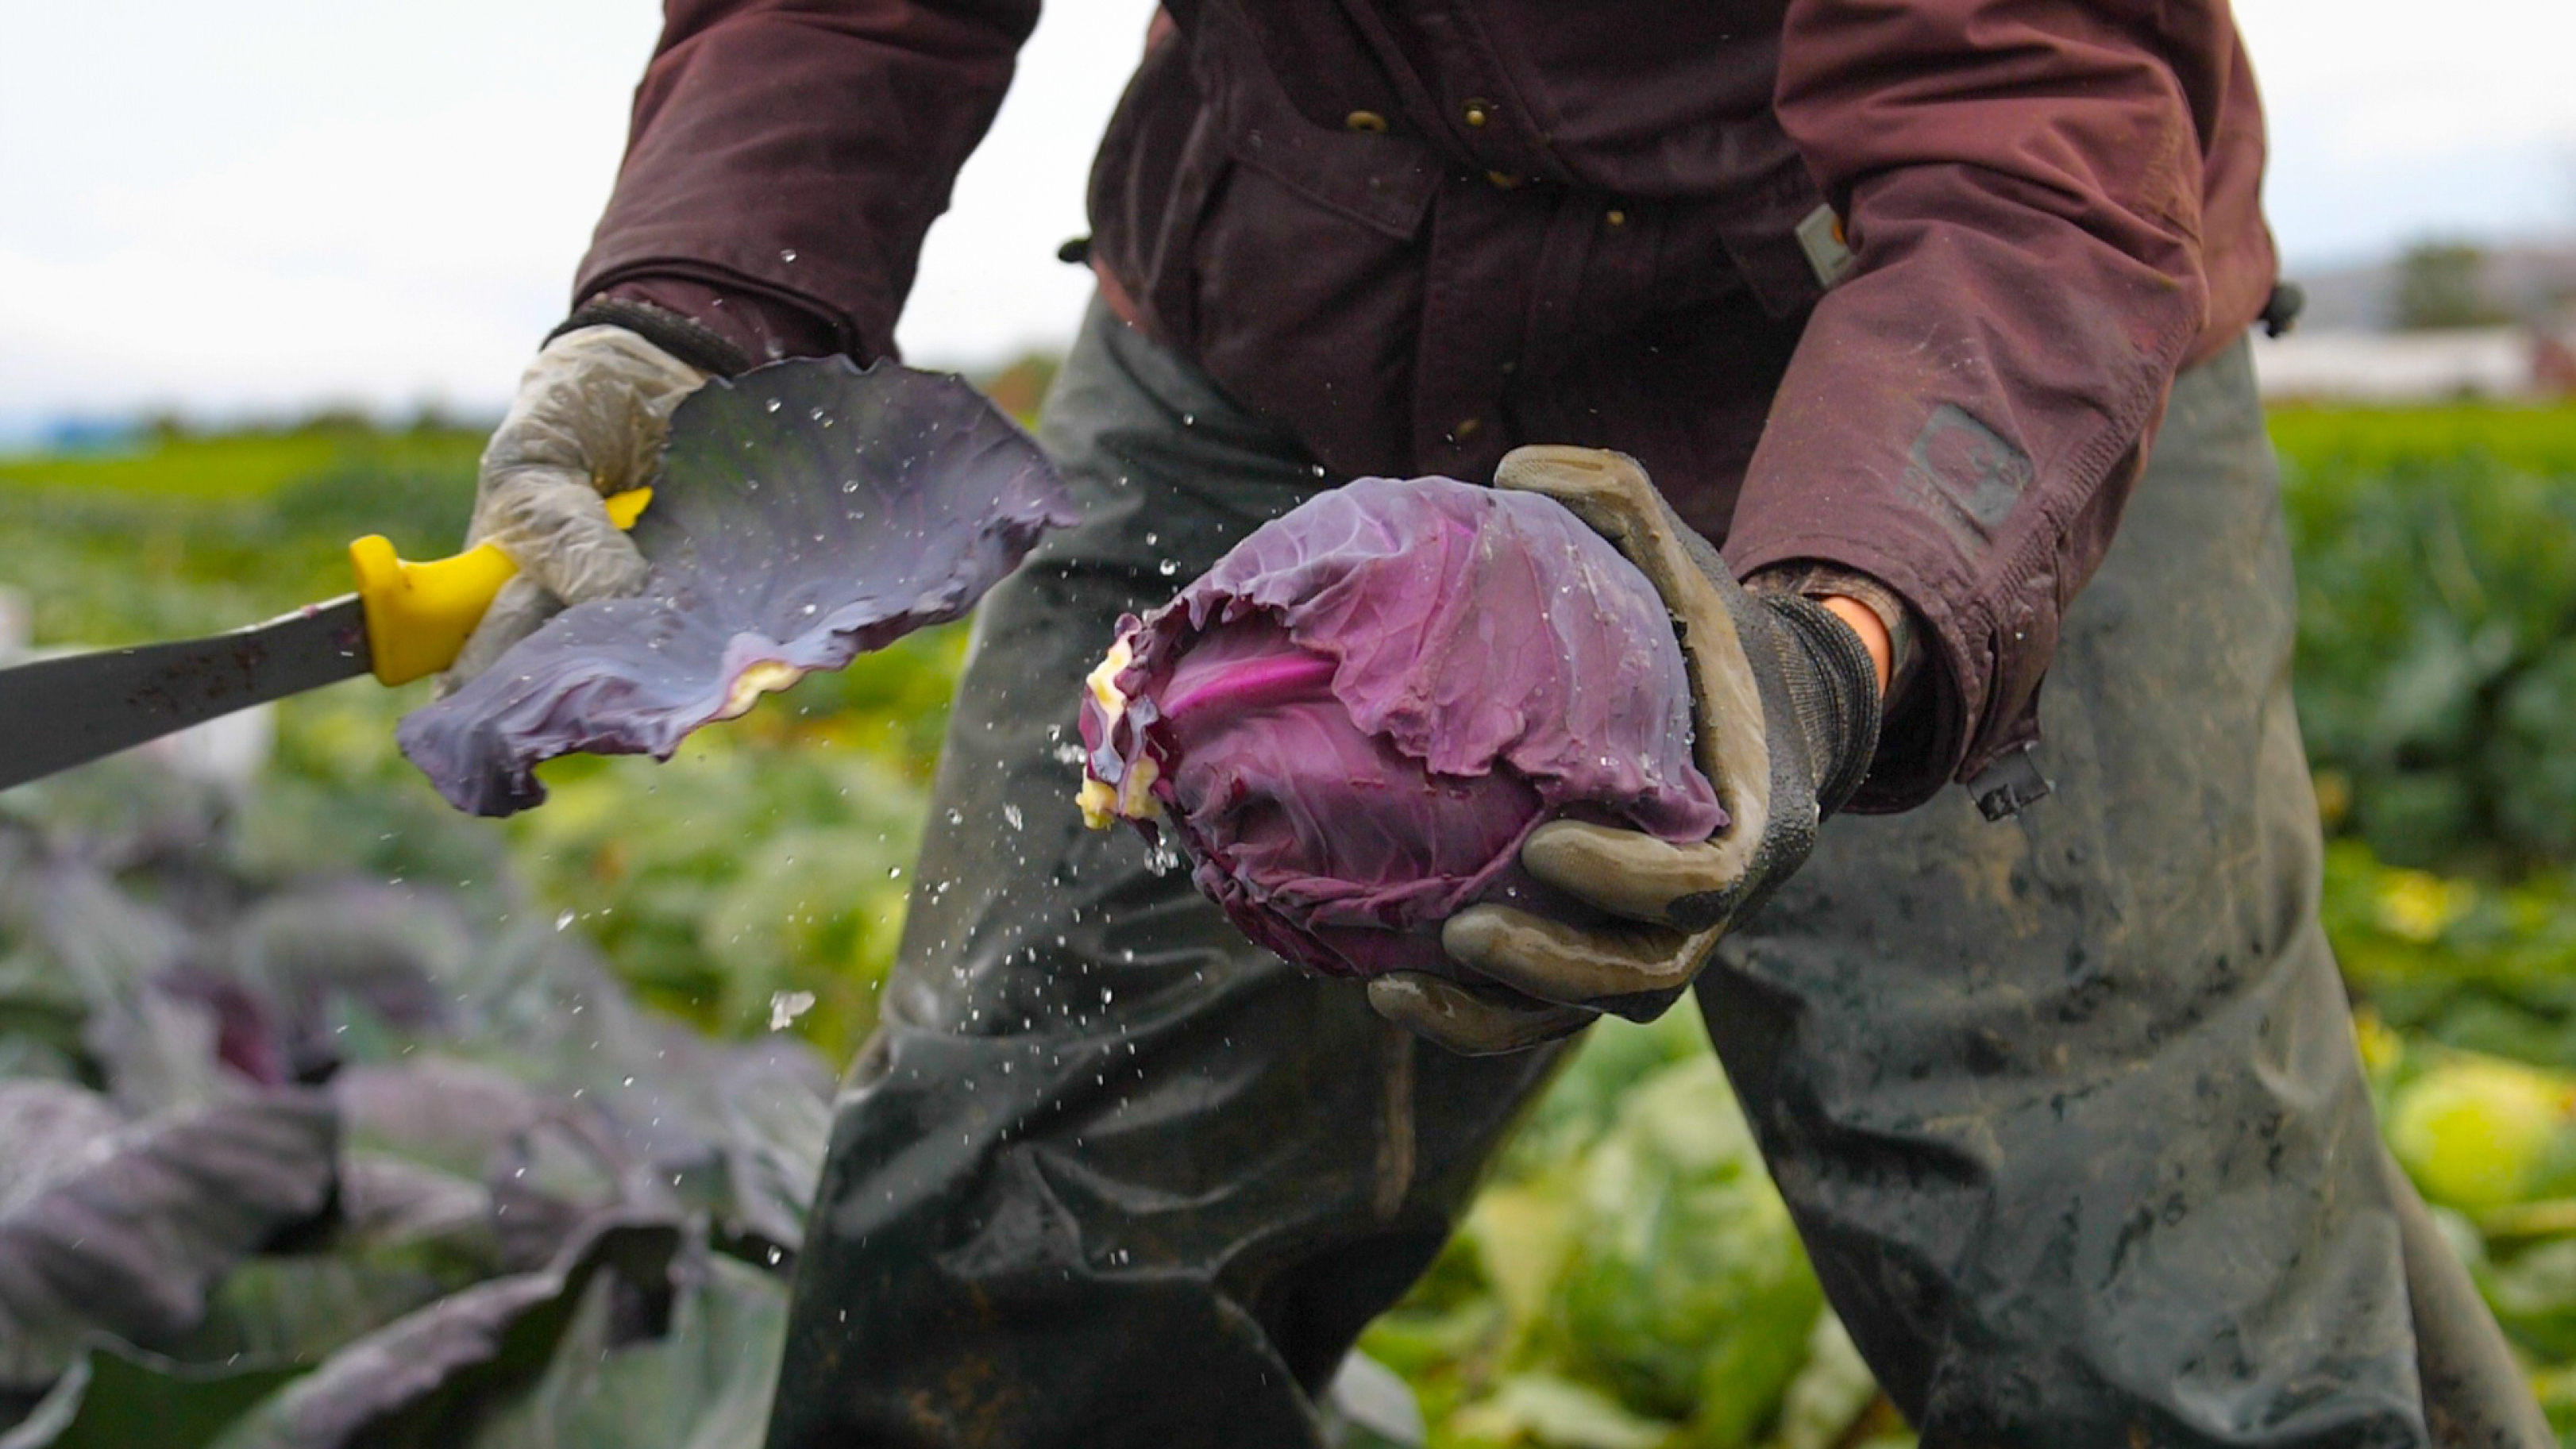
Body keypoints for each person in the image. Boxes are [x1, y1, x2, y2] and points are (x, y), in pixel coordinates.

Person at [448, 2, 2551, 1443]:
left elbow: (2020, 148)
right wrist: (691, 300)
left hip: (1932, 370)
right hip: (1287, 338)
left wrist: (1821, 660)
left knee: (2133, 1301)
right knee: (1014, 1238)